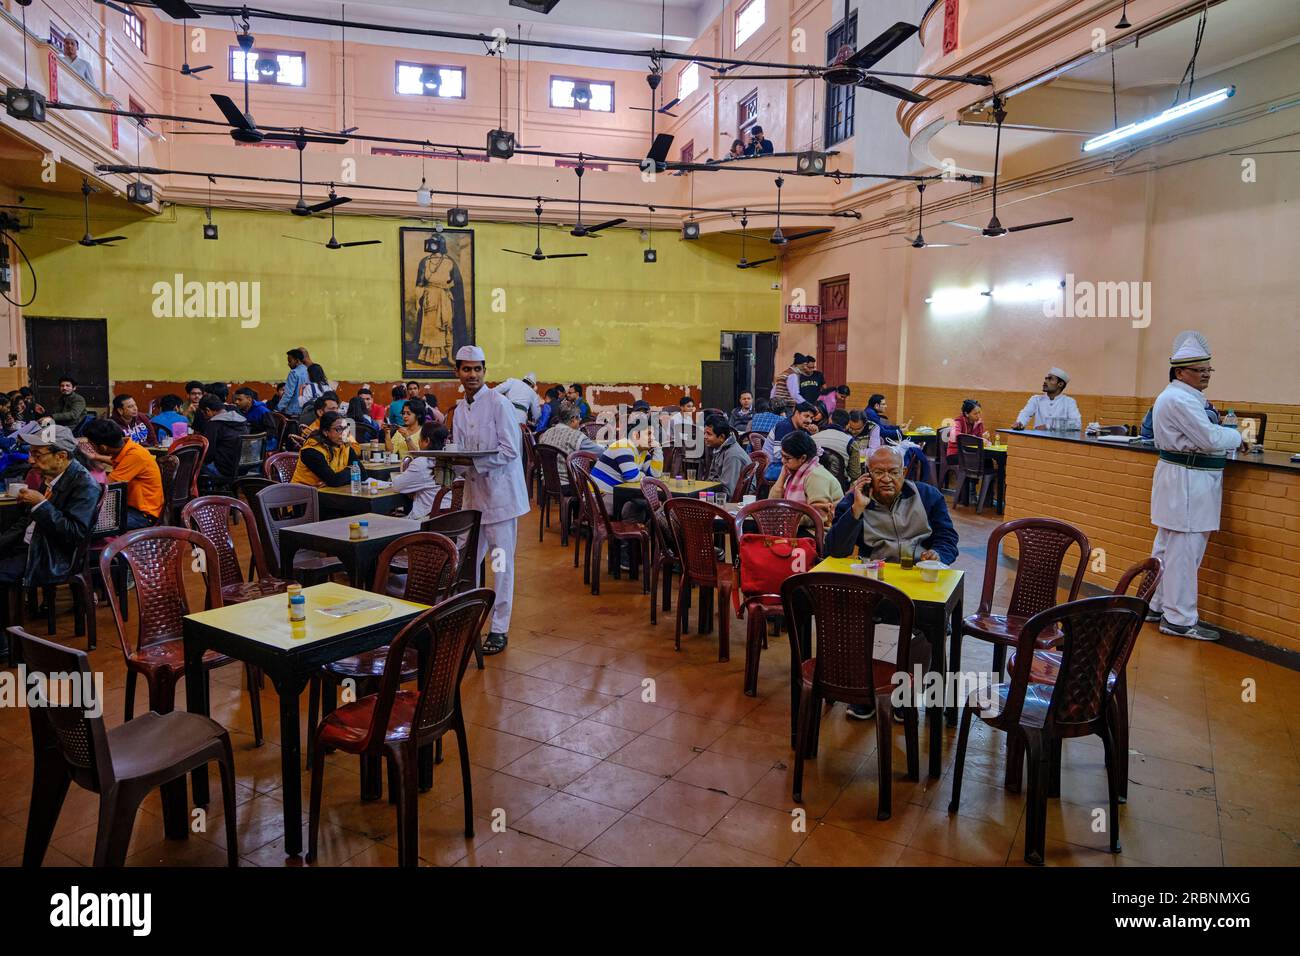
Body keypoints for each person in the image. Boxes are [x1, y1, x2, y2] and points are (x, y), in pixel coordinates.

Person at [1147, 332, 1242, 642]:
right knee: (1184, 554)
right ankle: (1180, 619)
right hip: (1187, 482)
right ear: (1179, 372)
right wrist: (1238, 436)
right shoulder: (1178, 399)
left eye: (1208, 370)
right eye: (1200, 370)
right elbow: (1210, 439)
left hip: (1180, 481)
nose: (1205, 375)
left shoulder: (1180, 397)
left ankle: (1157, 605)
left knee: (1168, 549)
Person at [445, 346, 530, 655]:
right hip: (473, 497)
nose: (472, 374)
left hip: (501, 498)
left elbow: (510, 450)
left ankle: (499, 629)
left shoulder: (499, 403)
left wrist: (474, 463)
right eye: (466, 369)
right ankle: (462, 619)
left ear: (484, 370)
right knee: (466, 561)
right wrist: (447, 463)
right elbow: (459, 451)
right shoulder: (459, 409)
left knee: (501, 565)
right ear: (458, 372)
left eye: (477, 369)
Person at [0, 425, 99, 589]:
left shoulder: (85, 485)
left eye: (37, 455)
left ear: (61, 456)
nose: (30, 460)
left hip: (51, 555)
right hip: (33, 542)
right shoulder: (53, 476)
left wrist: (41, 504)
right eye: (31, 453)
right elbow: (27, 521)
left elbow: (75, 533)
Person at [82, 419, 163, 529]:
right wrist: (96, 456)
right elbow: (118, 461)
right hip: (129, 507)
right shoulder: (129, 448)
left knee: (86, 526)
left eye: (91, 444)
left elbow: (105, 488)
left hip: (142, 515)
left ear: (103, 447)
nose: (90, 446)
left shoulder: (135, 456)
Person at [768, 430, 842, 527]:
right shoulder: (795, 472)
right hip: (800, 526)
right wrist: (781, 478)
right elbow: (772, 504)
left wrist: (785, 519)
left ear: (803, 458)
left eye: (787, 458)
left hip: (822, 532)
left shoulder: (816, 476)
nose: (783, 461)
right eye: (782, 456)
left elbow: (818, 515)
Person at [590, 415, 663, 509]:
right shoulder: (623, 446)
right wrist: (644, 476)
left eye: (653, 435)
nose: (653, 438)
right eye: (649, 434)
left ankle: (638, 524)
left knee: (647, 506)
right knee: (640, 506)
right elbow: (631, 476)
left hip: (616, 494)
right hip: (598, 497)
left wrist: (658, 449)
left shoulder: (643, 452)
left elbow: (655, 474)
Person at [389, 421, 449, 520]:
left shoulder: (422, 463)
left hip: (429, 519)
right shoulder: (452, 460)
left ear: (426, 441)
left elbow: (397, 486)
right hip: (451, 517)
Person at [292, 410, 361, 487]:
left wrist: (332, 480)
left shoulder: (345, 445)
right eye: (338, 429)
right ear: (325, 432)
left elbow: (363, 473)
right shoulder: (312, 450)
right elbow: (334, 480)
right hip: (303, 493)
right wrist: (352, 472)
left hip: (329, 492)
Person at [538, 405, 602, 487]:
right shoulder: (577, 436)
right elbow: (601, 453)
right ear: (573, 419)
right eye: (579, 418)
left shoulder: (546, 433)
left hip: (547, 482)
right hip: (569, 485)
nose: (580, 420)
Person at [196, 394, 248, 481]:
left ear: (208, 410)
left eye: (203, 413)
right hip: (244, 468)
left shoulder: (214, 424)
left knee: (191, 465)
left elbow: (208, 454)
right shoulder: (242, 421)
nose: (204, 417)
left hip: (223, 470)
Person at [762, 402, 818, 481]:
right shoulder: (784, 426)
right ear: (797, 413)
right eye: (806, 416)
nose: (809, 421)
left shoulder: (802, 429)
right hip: (772, 466)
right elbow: (778, 454)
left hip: (787, 463)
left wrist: (813, 435)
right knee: (806, 474)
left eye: (811, 418)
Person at [1013, 367, 1081, 431]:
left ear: (1060, 384)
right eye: (1046, 378)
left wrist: (1049, 426)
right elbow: (1025, 414)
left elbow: (1076, 424)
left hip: (1060, 442)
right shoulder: (1036, 399)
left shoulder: (1069, 402)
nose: (1045, 381)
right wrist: (1020, 423)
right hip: (1038, 440)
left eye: (1050, 379)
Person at [703, 416, 752, 499]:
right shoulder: (719, 448)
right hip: (719, 491)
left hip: (736, 501)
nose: (705, 437)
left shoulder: (732, 455)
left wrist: (705, 496)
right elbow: (712, 478)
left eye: (709, 434)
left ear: (721, 437)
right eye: (704, 433)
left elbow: (729, 492)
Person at [844, 411, 882, 483]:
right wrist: (864, 451)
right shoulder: (844, 426)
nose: (854, 432)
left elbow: (873, 451)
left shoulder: (873, 427)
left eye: (858, 429)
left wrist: (853, 452)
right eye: (851, 428)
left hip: (865, 466)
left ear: (865, 424)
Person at [282, 351, 308, 418]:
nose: (288, 364)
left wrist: (278, 408)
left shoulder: (294, 373)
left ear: (297, 361)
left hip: (293, 411)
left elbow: (288, 394)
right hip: (306, 410)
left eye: (290, 361)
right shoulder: (308, 371)